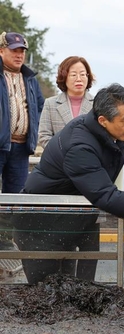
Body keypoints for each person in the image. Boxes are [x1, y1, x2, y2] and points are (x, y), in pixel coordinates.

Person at [12, 83, 124, 284]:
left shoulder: (101, 135)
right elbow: (106, 196)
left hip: (70, 222)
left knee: (71, 293)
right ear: (103, 120)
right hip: (40, 228)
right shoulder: (80, 147)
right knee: (46, 295)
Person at [0, 31, 44, 250]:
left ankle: (5, 239)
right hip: (0, 145)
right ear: (1, 51)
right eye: (14, 50)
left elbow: (40, 108)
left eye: (21, 51)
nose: (19, 55)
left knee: (14, 196)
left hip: (21, 147)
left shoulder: (31, 79)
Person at [38, 56, 95, 148]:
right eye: (73, 75)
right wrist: (61, 152)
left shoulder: (97, 104)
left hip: (90, 158)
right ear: (64, 77)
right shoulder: (50, 104)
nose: (79, 79)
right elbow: (44, 136)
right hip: (59, 159)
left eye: (83, 74)